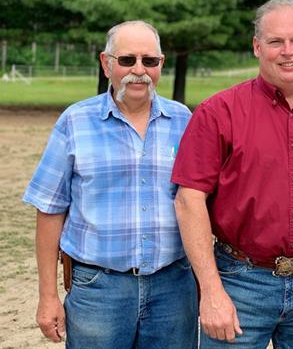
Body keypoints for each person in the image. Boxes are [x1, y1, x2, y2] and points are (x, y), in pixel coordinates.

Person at [171, 0, 293, 348]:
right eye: (275, 42)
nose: (288, 51)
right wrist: (211, 291)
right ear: (257, 47)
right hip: (239, 281)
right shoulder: (218, 112)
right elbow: (188, 201)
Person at [23, 21, 198, 348]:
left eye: (150, 61)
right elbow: (49, 209)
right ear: (106, 64)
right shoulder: (75, 121)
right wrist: (47, 296)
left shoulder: (184, 120)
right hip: (98, 290)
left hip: (173, 289)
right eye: (127, 60)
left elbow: (201, 202)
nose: (139, 70)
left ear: (161, 64)